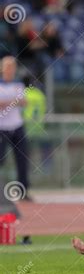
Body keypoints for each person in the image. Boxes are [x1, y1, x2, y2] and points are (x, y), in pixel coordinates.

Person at [0, 56, 31, 200]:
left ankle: (23, 191)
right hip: (2, 127)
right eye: (7, 67)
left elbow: (24, 102)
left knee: (22, 159)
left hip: (17, 126)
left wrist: (7, 102)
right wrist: (13, 101)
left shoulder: (18, 84)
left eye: (12, 67)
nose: (10, 70)